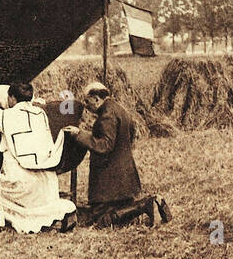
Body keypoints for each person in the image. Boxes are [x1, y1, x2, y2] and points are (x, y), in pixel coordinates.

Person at [0, 79, 77, 234]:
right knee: (42, 200)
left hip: (22, 182)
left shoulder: (8, 116)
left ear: (13, 99)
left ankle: (55, 214)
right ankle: (61, 212)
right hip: (46, 181)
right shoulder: (40, 112)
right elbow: (18, 100)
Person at [62, 80, 166, 226]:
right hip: (124, 178)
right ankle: (143, 208)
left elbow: (105, 145)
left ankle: (146, 204)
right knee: (119, 210)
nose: (86, 105)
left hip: (110, 180)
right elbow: (129, 134)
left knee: (100, 219)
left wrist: (79, 134)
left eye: (88, 101)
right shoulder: (120, 110)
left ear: (96, 99)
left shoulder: (107, 115)